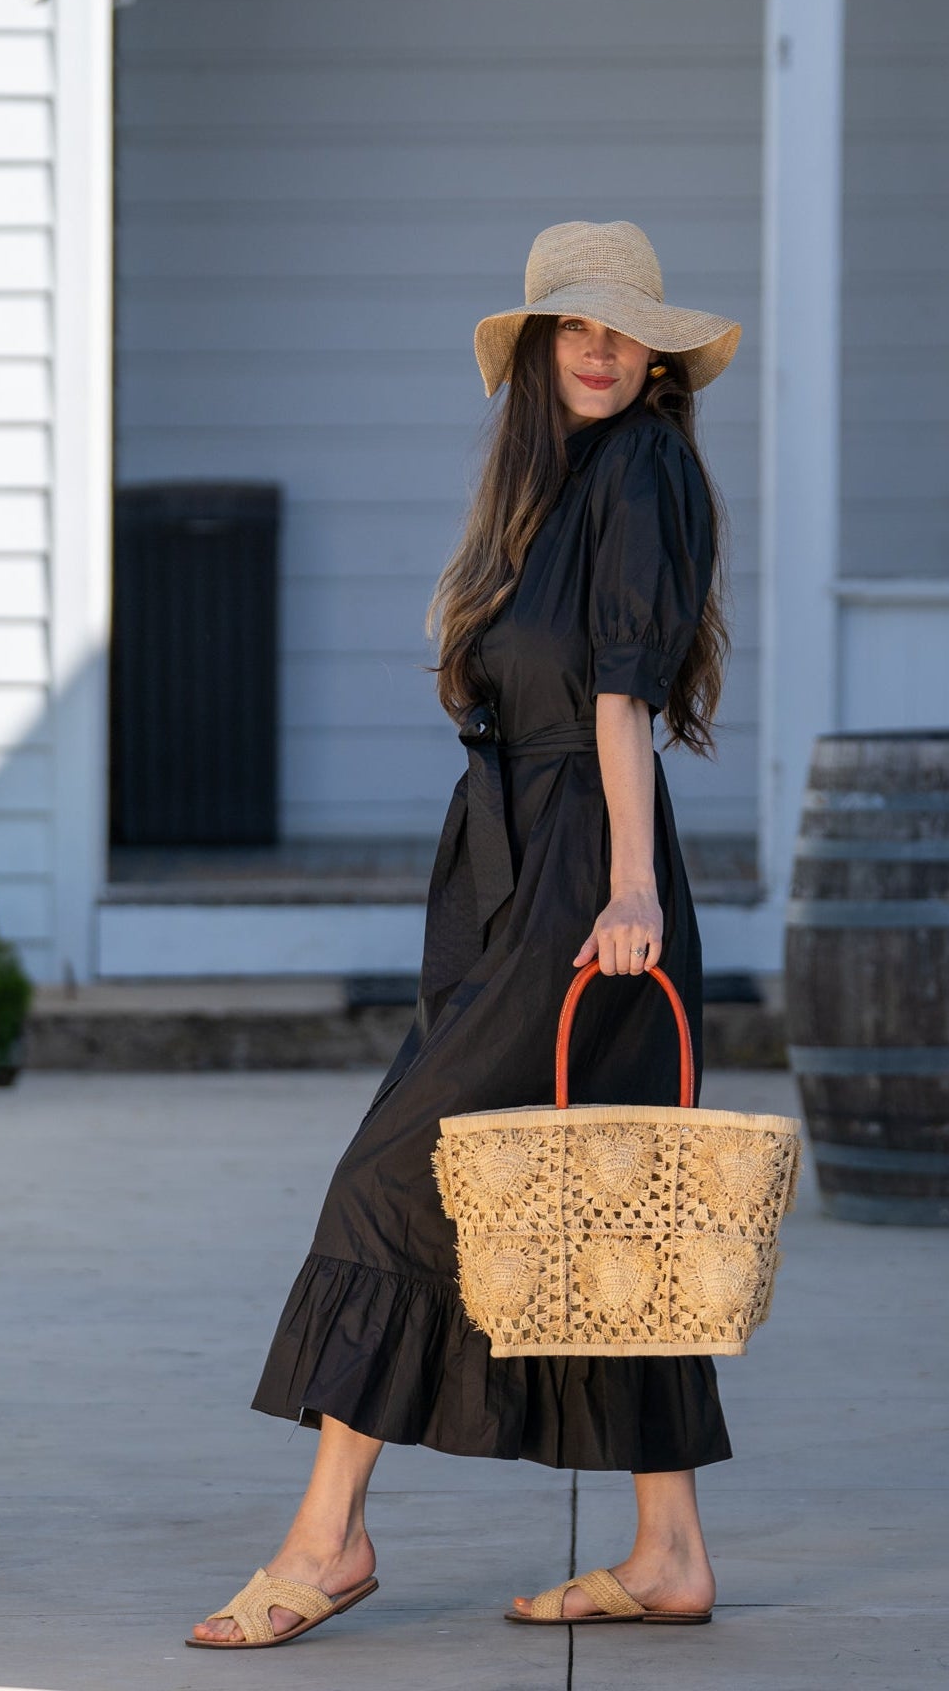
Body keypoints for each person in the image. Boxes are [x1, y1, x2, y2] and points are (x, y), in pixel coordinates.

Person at [187, 219, 742, 1649]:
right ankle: (668, 1550)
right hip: (514, 875)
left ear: (656, 355)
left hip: (582, 883)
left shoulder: (643, 469)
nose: (603, 350)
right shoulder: (542, 496)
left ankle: (329, 1538)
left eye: (624, 329)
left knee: (397, 1171)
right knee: (605, 1203)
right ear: (539, 353)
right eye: (576, 327)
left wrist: (625, 890)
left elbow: (620, 697)